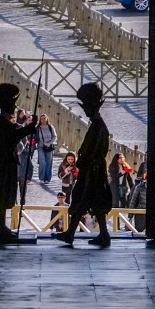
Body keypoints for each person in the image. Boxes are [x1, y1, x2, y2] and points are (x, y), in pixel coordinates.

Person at [61, 82, 117, 247]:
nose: (84, 111)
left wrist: (84, 163)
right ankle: (103, 235)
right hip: (92, 170)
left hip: (92, 171)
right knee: (93, 203)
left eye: (85, 108)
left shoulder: (98, 127)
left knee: (83, 201)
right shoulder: (98, 125)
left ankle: (71, 234)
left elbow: (93, 152)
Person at [0, 85, 25, 244]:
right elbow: (13, 136)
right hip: (5, 162)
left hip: (7, 162)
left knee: (5, 194)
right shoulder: (2, 123)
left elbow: (14, 133)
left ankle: (2, 227)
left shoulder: (3, 122)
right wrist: (28, 128)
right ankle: (1, 228)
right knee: (3, 195)